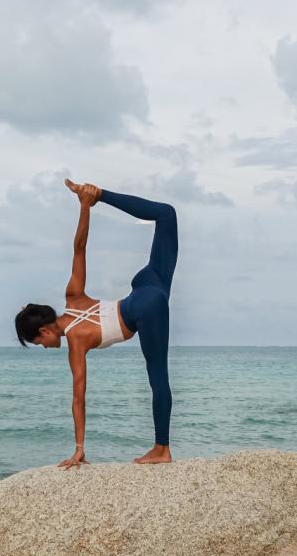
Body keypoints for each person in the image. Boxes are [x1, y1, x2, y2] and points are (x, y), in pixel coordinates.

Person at [14, 179, 178, 469]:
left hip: (143, 307)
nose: (44, 347)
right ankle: (101, 193)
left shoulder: (75, 343)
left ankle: (162, 449)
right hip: (148, 285)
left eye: (39, 343)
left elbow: (79, 399)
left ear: (44, 330)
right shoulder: (73, 296)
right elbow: (79, 248)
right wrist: (87, 204)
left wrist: (79, 449)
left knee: (157, 374)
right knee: (166, 214)